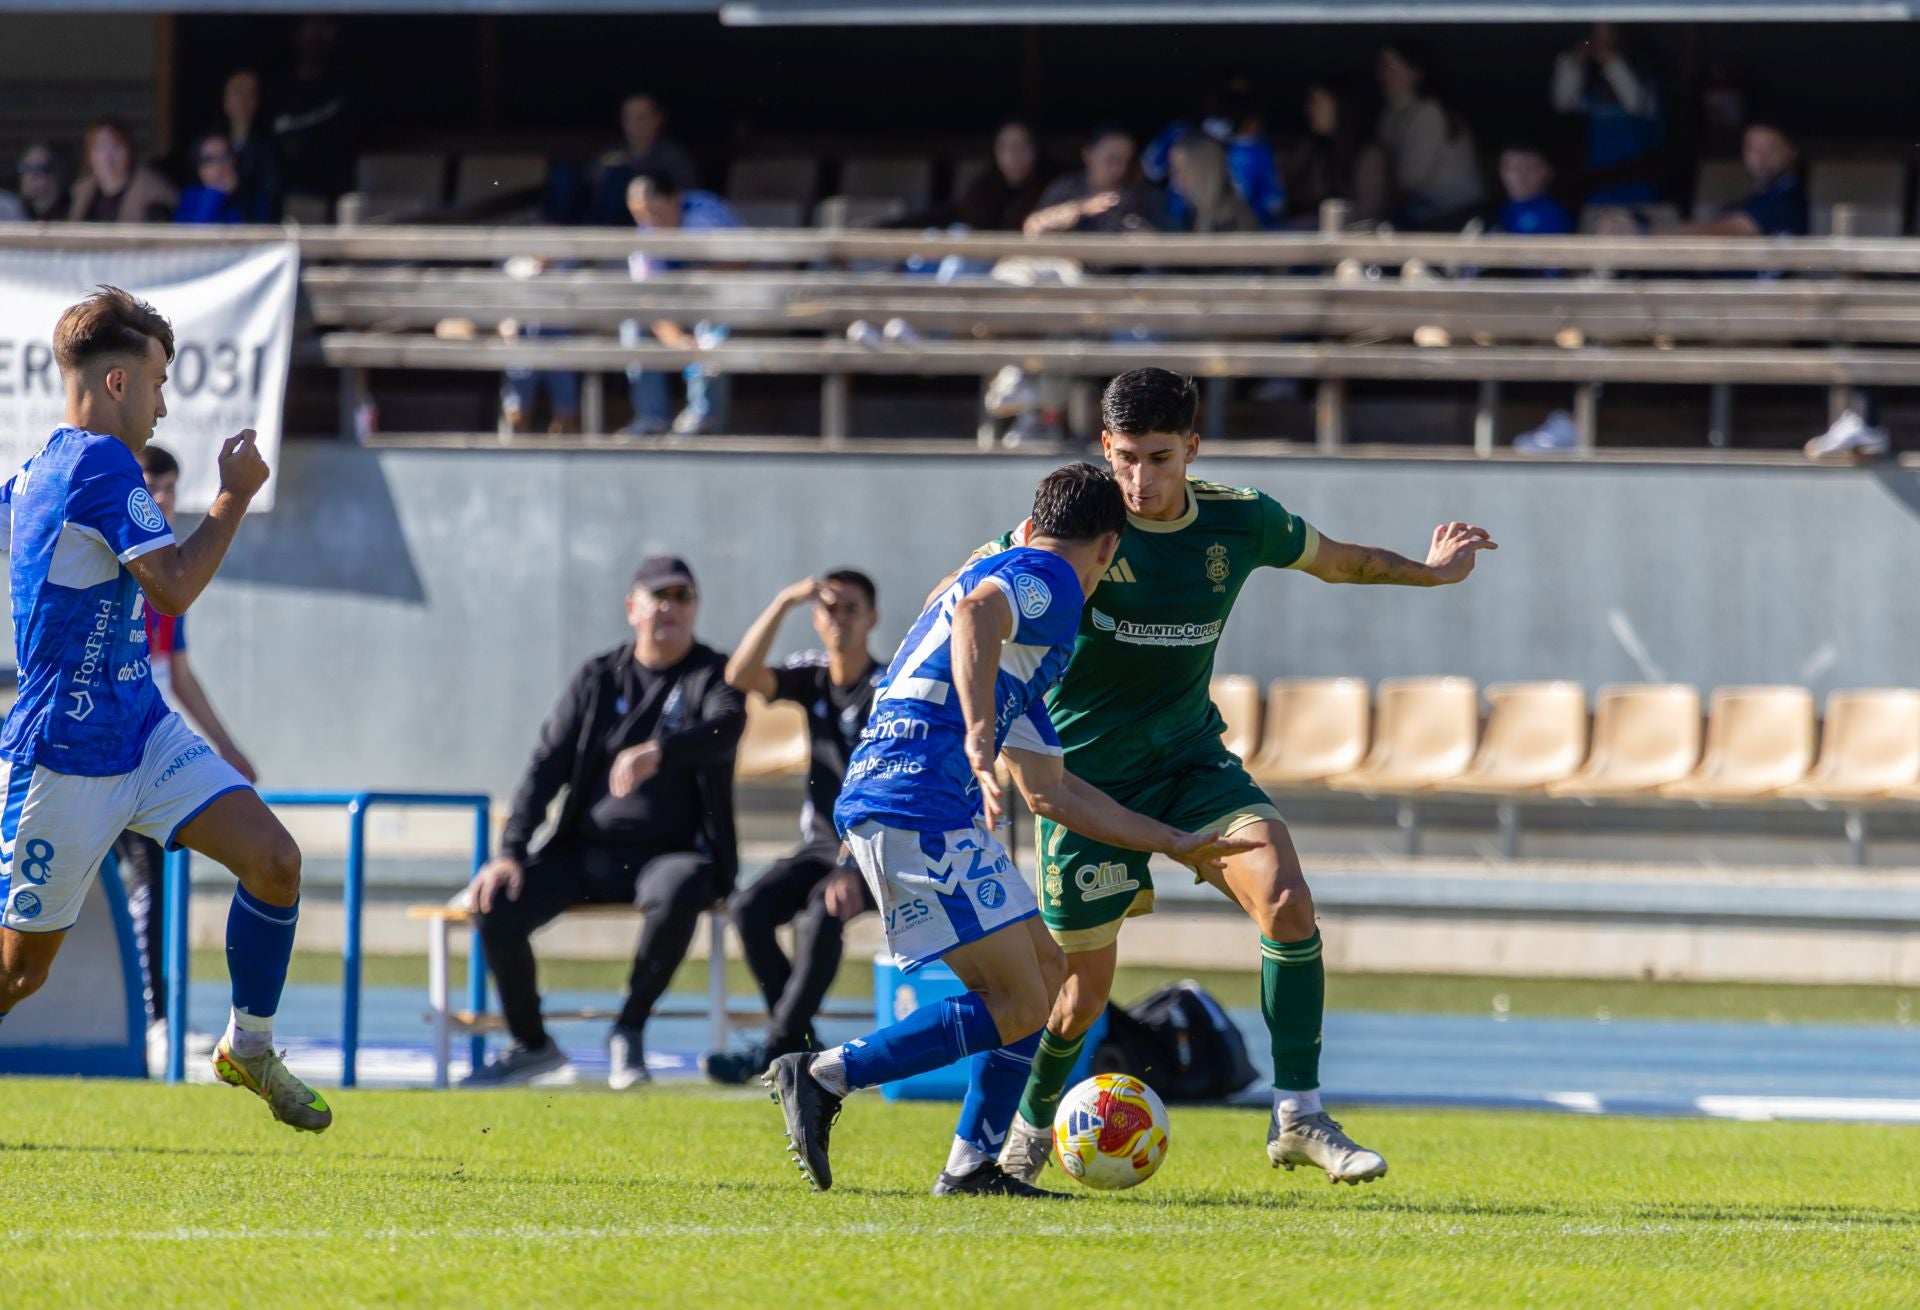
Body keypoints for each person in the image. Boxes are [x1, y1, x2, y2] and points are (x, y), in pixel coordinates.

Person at [980, 370, 1494, 1189]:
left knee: (1287, 901)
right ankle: (1029, 1132)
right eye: (1124, 459)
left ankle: (1298, 1115)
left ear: (1192, 448)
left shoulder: (1240, 520)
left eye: (1158, 459)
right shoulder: (1075, 528)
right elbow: (970, 600)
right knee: (1079, 998)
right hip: (1085, 786)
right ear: (1105, 448)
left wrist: (1431, 572)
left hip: (1191, 763)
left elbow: (1343, 562)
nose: (1138, 481)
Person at [767, 463, 1254, 1198]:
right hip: (916, 802)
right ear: (1107, 548)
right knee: (1020, 1001)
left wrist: (1171, 840)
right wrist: (976, 732)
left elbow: (1052, 792)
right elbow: (976, 614)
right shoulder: (1050, 579)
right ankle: (826, 1074)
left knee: (1047, 976)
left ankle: (971, 1164)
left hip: (916, 802)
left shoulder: (1016, 658)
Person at [0, 287, 325, 1131]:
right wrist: (234, 494)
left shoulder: (36, 474)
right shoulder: (100, 465)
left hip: (142, 734)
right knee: (17, 975)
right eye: (158, 383)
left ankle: (248, 1046)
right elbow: (173, 589)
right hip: (63, 759)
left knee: (275, 861)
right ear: (116, 383)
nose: (164, 405)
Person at [465, 556, 745, 1090]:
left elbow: (727, 727)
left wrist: (659, 752)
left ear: (695, 608)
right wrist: (511, 851)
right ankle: (532, 1043)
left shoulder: (710, 673)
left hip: (669, 855)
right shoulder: (598, 677)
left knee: (682, 885)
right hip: (584, 854)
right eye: (658, 595)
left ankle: (629, 1028)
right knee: (494, 903)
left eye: (683, 596)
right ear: (632, 608)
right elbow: (545, 766)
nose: (670, 607)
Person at [109, 444, 259, 1068]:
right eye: (154, 487)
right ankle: (147, 1019)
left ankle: (158, 1018)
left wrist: (226, 746)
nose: (165, 499)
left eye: (171, 488)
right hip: (106, 744)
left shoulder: (170, 566)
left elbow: (179, 673)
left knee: (159, 877)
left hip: (152, 746)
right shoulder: (116, 550)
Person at [704, 571, 885, 1084]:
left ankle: (777, 1046)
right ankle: (797, 1043)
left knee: (821, 913)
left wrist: (849, 866)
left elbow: (890, 786)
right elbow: (741, 675)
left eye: (851, 609)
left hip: (877, 846)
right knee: (748, 907)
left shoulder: (889, 687)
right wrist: (785, 600)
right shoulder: (813, 677)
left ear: (872, 618)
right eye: (829, 609)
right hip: (823, 847)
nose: (839, 619)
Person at [621, 173, 740, 437]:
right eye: (640, 216)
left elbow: (741, 264)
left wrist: (702, 278)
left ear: (675, 199)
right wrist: (679, 342)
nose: (649, 222)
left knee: (711, 331)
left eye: (656, 212)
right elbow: (648, 301)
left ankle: (702, 417)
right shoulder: (644, 237)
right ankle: (652, 417)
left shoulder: (705, 214)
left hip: (722, 302)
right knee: (634, 325)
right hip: (674, 309)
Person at [1374, 41, 1485, 229]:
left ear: (1416, 74)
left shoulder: (1429, 112)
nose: (1383, 74)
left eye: (1391, 68)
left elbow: (1410, 178)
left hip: (1458, 213)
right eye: (1381, 67)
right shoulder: (1388, 115)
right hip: (1422, 210)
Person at [1550, 23, 1664, 206]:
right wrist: (1574, 62)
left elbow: (1635, 103)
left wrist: (1610, 60)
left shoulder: (1645, 79)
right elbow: (1563, 103)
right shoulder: (1590, 85)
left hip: (1638, 185)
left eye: (1607, 34)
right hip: (1598, 185)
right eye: (1595, 35)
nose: (1599, 42)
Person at [272, 16, 356, 208]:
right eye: (310, 32)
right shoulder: (278, 88)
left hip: (333, 191)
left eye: (322, 32)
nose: (315, 41)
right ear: (296, 36)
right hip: (285, 191)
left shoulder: (344, 87)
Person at [1023, 126, 1167, 237]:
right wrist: (1081, 209)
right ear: (1088, 155)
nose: (1119, 168)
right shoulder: (1066, 187)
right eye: (1111, 159)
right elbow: (1033, 225)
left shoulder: (1136, 196)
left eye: (1125, 161)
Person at [1282, 80, 1386, 227]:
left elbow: (1368, 214)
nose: (1307, 110)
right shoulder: (1313, 149)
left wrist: (1311, 222)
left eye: (1316, 102)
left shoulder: (1369, 155)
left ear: (1340, 106)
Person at [586, 93, 699, 227]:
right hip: (610, 226)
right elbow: (590, 184)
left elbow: (689, 195)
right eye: (628, 119)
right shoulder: (611, 155)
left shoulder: (673, 157)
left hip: (656, 226)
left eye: (641, 118)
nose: (634, 125)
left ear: (658, 119)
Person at [67, 120, 177, 223]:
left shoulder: (154, 192)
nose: (107, 157)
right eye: (100, 147)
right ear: (90, 155)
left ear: (130, 150)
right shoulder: (79, 192)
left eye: (116, 147)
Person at [217, 69, 283, 222]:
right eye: (237, 92)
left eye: (250, 94)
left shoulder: (269, 148)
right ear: (225, 100)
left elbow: (270, 199)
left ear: (257, 101)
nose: (243, 100)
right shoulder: (209, 144)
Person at [1167, 135, 1261, 234]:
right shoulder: (1195, 213)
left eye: (1179, 171)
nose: (1174, 180)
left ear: (1205, 172)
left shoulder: (1230, 220)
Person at [175, 132, 271, 225]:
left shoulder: (252, 196)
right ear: (198, 168)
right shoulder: (190, 198)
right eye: (209, 159)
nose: (219, 166)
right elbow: (197, 231)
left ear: (234, 161)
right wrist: (217, 194)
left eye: (225, 157)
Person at [1493, 144, 1574, 238]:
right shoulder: (1495, 211)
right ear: (1501, 172)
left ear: (1547, 172)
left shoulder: (1554, 215)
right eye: (1512, 168)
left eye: (1529, 168)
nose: (1520, 175)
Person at [12, 144, 70, 222]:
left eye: (39, 169)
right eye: (24, 167)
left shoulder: (71, 210)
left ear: (56, 174)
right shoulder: (16, 212)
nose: (29, 176)